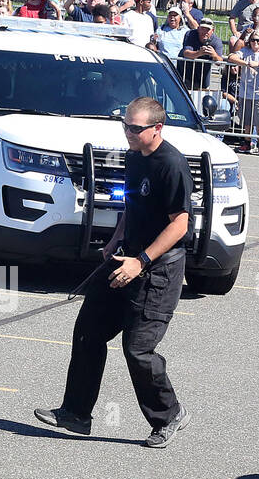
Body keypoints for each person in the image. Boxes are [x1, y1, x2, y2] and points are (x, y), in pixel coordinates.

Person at [35, 96, 193, 448]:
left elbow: (179, 225)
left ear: (158, 128)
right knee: (88, 331)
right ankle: (76, 413)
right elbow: (131, 205)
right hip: (125, 258)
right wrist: (116, 240)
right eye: (126, 126)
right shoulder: (135, 157)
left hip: (158, 269)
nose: (129, 133)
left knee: (138, 348)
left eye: (136, 128)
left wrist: (143, 261)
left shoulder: (172, 165)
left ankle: (169, 415)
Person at [227, 31, 259, 152]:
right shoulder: (245, 51)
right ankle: (247, 142)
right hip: (246, 90)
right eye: (253, 40)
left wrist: (258, 64)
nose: (255, 42)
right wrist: (247, 63)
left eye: (258, 40)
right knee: (247, 119)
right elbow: (231, 57)